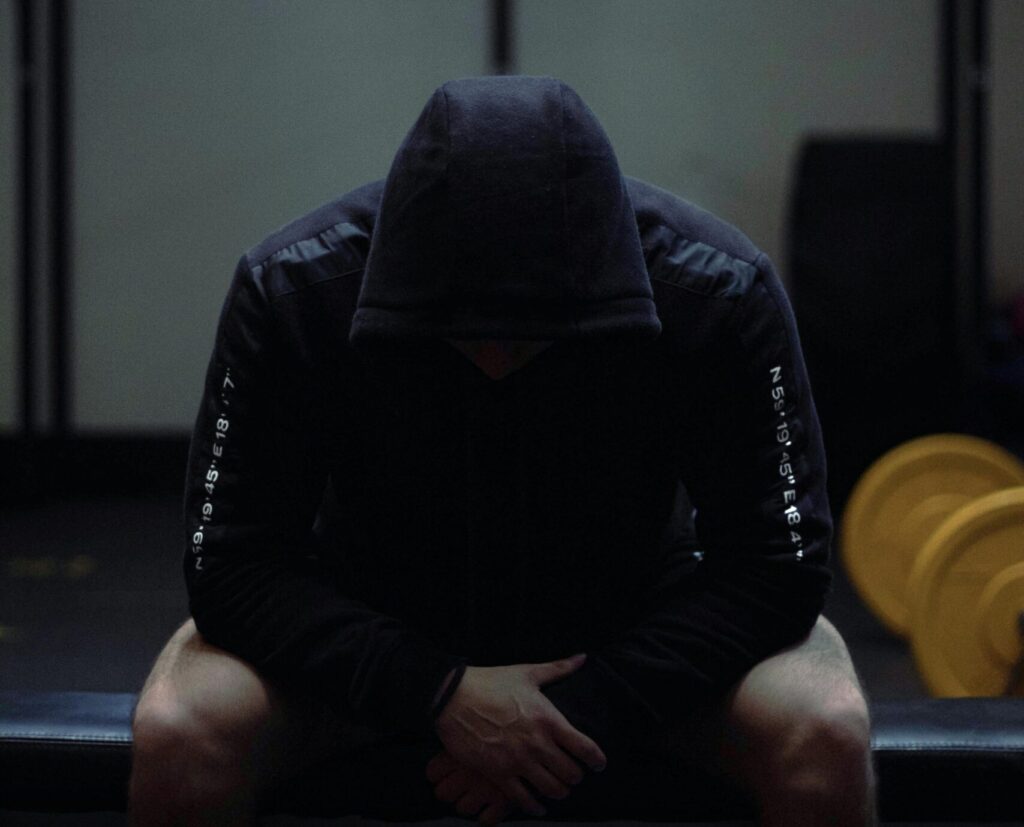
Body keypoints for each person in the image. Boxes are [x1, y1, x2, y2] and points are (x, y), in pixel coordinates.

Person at [128, 75, 877, 826]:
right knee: (180, 735)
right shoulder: (294, 291)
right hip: (365, 629)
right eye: (462, 335)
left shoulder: (718, 295)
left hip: (636, 634)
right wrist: (433, 691)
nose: (494, 362)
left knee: (826, 734)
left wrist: (575, 710)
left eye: (529, 338)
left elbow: (779, 567)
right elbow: (231, 564)